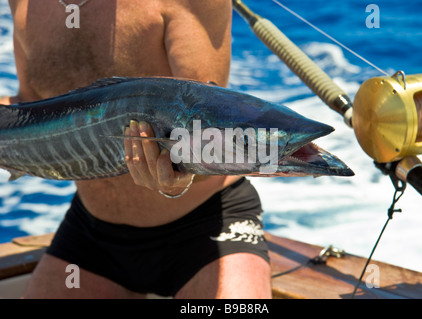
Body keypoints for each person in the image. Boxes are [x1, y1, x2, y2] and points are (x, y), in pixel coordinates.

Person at [1, 0, 271, 298]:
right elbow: (30, 107)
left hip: (205, 231)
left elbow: (206, 133)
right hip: (93, 235)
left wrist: (178, 175)